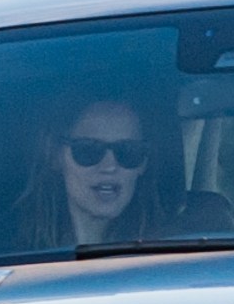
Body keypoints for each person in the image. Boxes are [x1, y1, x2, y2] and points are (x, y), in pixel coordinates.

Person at [15, 99, 161, 248]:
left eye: (128, 151)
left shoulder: (171, 257)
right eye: (88, 150)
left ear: (143, 163)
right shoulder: (11, 257)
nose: (109, 166)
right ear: (55, 156)